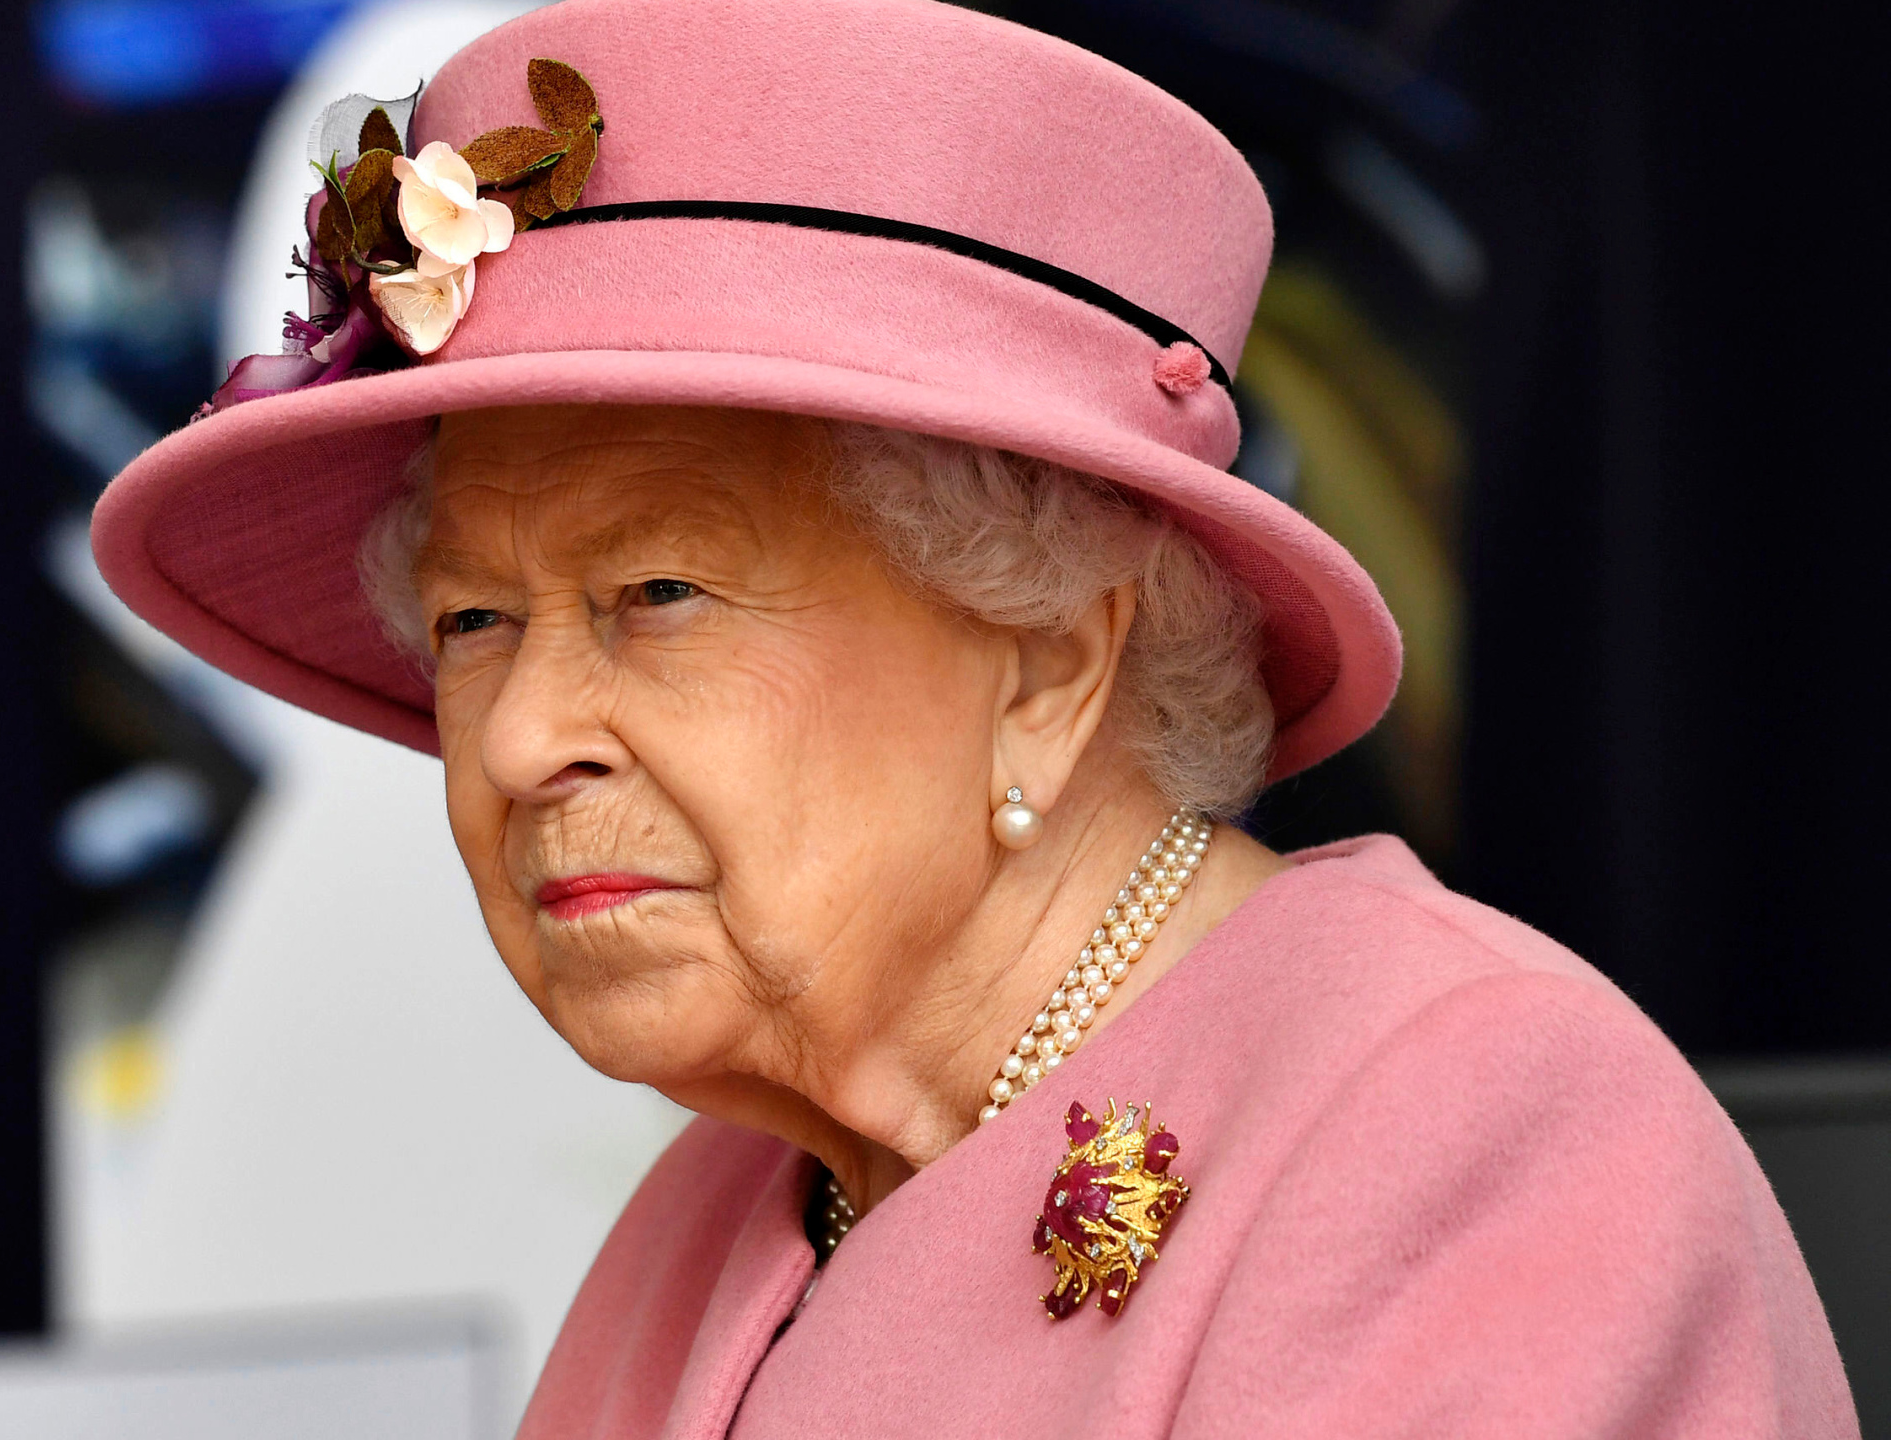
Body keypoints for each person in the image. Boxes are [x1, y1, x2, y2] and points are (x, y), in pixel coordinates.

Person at [90, 0, 1858, 1432]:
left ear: (1049, 662)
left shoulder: (1468, 1139)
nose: (524, 733)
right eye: (476, 620)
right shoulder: (716, 1216)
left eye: (661, 595)